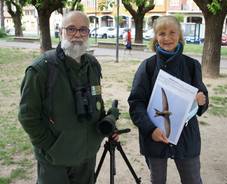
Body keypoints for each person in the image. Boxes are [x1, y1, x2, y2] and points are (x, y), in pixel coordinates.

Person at [18, 11, 118, 184]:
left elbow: (96, 102)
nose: (77, 35)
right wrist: (50, 146)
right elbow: (27, 116)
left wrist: (106, 124)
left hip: (87, 155)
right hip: (55, 161)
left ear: (89, 33)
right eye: (71, 29)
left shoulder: (93, 65)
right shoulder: (41, 69)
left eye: (83, 30)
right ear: (61, 31)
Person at [128, 16, 209, 184]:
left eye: (172, 32)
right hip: (155, 136)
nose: (167, 38)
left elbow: (202, 98)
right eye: (162, 33)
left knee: (192, 179)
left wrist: (201, 101)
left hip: (186, 137)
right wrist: (151, 130)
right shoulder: (147, 67)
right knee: (157, 180)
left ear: (179, 36)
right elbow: (136, 104)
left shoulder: (192, 65)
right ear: (155, 37)